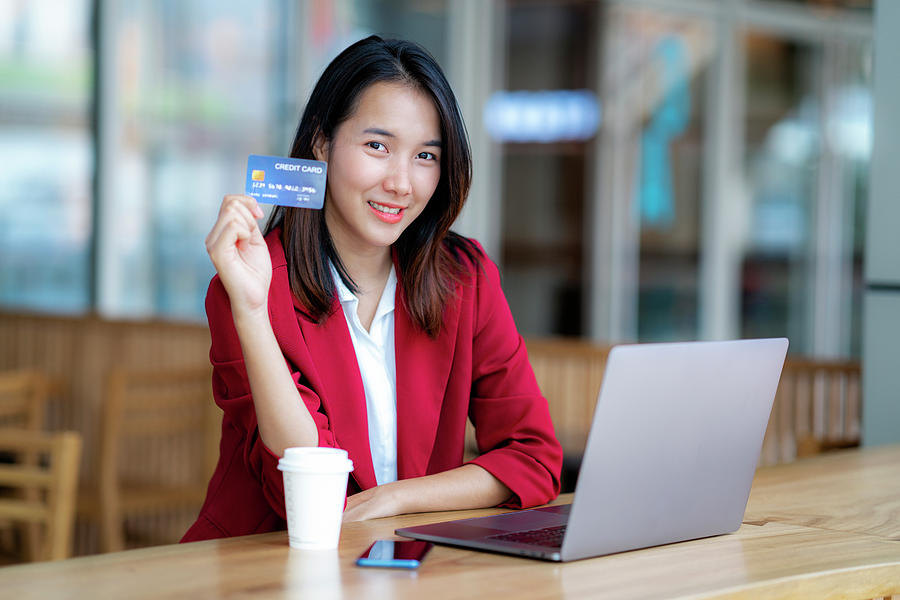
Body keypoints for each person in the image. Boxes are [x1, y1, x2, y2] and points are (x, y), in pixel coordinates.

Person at [182, 35, 561, 542]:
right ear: (322, 143)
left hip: (402, 566)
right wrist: (251, 311)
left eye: (426, 156)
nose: (402, 183)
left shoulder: (465, 278)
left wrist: (396, 497)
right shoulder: (250, 282)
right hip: (259, 569)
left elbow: (534, 458)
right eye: (378, 146)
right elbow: (307, 492)